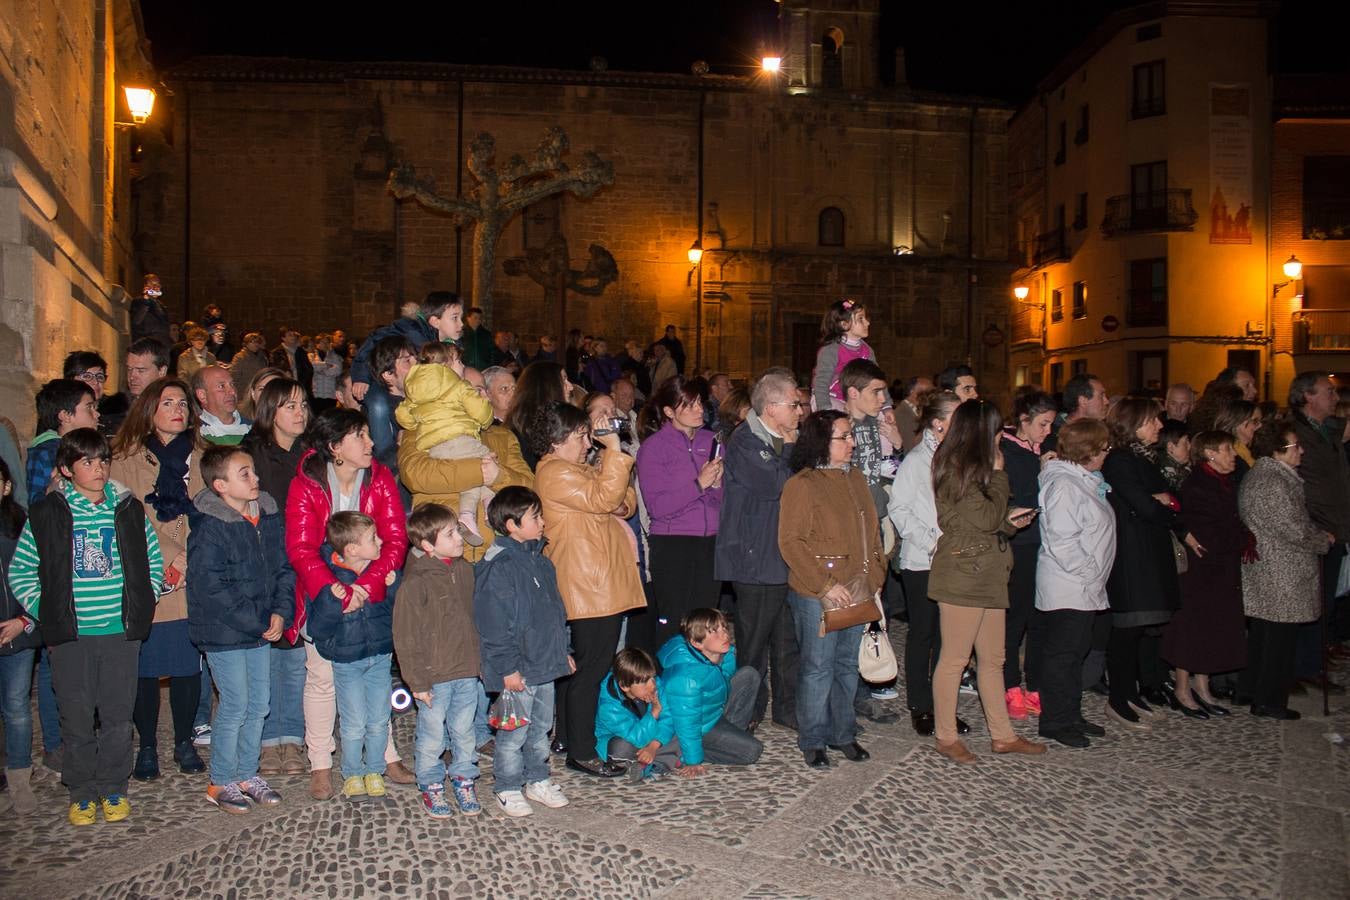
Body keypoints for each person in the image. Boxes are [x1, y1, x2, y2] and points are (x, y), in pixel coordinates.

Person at [6, 428, 163, 824]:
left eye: (103, 460)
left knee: (116, 715)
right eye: (87, 462)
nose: (98, 469)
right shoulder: (47, 514)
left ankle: (113, 787)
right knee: (75, 715)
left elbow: (151, 558)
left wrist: (147, 596)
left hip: (119, 633)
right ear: (66, 468)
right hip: (71, 635)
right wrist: (48, 609)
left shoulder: (126, 508)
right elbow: (23, 569)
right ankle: (80, 791)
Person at [284, 408, 413, 800]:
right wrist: (336, 591)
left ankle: (384, 756)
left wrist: (368, 585)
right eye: (360, 436)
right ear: (336, 448)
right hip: (325, 596)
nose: (371, 443)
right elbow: (301, 548)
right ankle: (321, 763)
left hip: (371, 594)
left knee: (375, 673)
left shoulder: (380, 477)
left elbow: (395, 539)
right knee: (322, 678)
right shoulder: (306, 484)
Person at [531, 402, 644, 777]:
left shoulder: (577, 471)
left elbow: (624, 504)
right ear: (556, 439)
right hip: (588, 584)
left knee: (583, 667)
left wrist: (607, 477)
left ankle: (567, 737)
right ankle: (581, 751)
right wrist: (613, 451)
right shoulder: (553, 473)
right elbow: (607, 499)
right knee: (592, 670)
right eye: (580, 435)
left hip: (599, 580)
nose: (587, 442)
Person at [927, 400, 1043, 763]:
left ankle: (1003, 735)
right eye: (996, 429)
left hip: (989, 571)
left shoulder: (973, 468)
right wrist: (999, 473)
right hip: (964, 574)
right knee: (955, 658)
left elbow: (989, 521)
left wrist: (1013, 523)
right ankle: (945, 736)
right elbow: (986, 517)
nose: (1001, 436)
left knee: (993, 658)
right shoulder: (954, 468)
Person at [109, 377, 208, 781]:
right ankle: (146, 745)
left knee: (187, 666)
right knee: (146, 669)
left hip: (193, 571)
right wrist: (167, 561)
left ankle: (183, 740)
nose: (177, 409)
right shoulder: (124, 458)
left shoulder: (202, 456)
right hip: (148, 575)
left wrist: (188, 559)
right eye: (167, 402)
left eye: (183, 403)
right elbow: (124, 516)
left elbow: (213, 508)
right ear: (149, 409)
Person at [186, 445, 293, 813]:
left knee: (258, 703)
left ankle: (247, 773)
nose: (255, 478)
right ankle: (220, 780)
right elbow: (212, 588)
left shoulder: (266, 516)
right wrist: (259, 621)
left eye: (253, 471)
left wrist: (280, 612)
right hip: (225, 632)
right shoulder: (210, 529)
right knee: (235, 704)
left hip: (260, 627)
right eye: (244, 473)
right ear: (220, 485)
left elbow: (283, 568)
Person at [778, 411, 885, 769]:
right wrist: (825, 585)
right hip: (817, 592)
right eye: (844, 436)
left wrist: (876, 576)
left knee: (846, 665)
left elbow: (872, 532)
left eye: (850, 435)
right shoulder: (802, 485)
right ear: (823, 442)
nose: (852, 442)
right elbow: (791, 543)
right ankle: (813, 738)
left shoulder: (854, 477)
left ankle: (844, 733)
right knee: (818, 666)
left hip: (858, 587)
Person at [474, 486, 574, 815]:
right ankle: (506, 784)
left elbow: (554, 613)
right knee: (513, 731)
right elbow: (492, 623)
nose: (543, 522)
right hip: (517, 667)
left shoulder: (541, 563)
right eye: (535, 517)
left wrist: (564, 650)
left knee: (541, 727)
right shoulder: (499, 566)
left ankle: (537, 778)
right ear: (511, 524)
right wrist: (506, 669)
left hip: (545, 661)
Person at [714, 368, 801, 731]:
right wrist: (796, 448)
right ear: (771, 406)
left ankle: (787, 709)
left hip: (779, 555)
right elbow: (777, 484)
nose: (800, 411)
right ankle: (743, 712)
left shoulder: (774, 438)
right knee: (752, 644)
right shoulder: (746, 440)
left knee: (786, 640)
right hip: (754, 556)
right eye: (794, 404)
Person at [1102, 397, 1194, 730]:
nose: (1159, 425)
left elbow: (1173, 499)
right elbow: (1145, 505)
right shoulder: (1121, 460)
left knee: (1140, 631)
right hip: (1131, 555)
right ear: (1134, 424)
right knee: (1127, 629)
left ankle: (1131, 692)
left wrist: (1163, 502)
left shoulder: (1146, 459)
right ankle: (1118, 698)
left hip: (1148, 550)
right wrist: (1159, 503)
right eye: (1152, 420)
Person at [1238, 420, 1334, 719]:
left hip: (1274, 568)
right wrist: (1322, 540)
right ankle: (1269, 700)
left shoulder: (1270, 476)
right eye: (1296, 446)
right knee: (1278, 640)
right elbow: (1292, 528)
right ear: (1278, 450)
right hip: (1280, 570)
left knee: (1266, 636)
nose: (1301, 451)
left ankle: (1253, 690)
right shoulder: (1272, 482)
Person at [888, 390, 970, 738]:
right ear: (938, 424)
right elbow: (900, 510)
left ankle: (944, 707)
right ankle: (921, 707)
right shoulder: (917, 461)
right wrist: (933, 542)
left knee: (950, 640)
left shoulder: (961, 458)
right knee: (924, 635)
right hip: (924, 561)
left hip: (955, 560)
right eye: (957, 417)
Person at [239, 378, 310, 776]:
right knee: (267, 648)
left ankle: (293, 739)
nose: (299, 413)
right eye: (289, 406)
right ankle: (268, 740)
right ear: (270, 411)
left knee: (296, 652)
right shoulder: (251, 454)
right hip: (265, 559)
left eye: (302, 405)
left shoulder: (311, 455)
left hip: (304, 559)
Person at [395, 503, 482, 818]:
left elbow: (473, 620)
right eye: (450, 533)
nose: (459, 537)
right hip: (434, 676)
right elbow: (405, 636)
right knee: (432, 735)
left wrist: (480, 663)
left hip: (465, 670)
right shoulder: (416, 582)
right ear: (427, 545)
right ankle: (431, 783)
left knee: (464, 730)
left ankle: (463, 777)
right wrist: (417, 681)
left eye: (457, 530)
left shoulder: (464, 570)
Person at [305, 511, 399, 801]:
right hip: (348, 662)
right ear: (352, 549)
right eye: (373, 538)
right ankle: (352, 773)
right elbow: (318, 628)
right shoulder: (328, 579)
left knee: (379, 717)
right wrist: (335, 603)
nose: (381, 541)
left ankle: (375, 769)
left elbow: (394, 614)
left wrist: (393, 587)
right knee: (355, 720)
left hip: (380, 657)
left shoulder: (379, 571)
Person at [1034, 418, 1115, 748]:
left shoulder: (1081, 479)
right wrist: (1090, 570)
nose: (1108, 453)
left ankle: (1070, 713)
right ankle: (1054, 720)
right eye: (1104, 448)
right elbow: (1062, 540)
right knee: (1062, 655)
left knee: (1075, 653)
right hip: (1069, 585)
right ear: (1091, 452)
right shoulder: (1065, 485)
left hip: (1084, 586)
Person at [1163, 431, 1247, 718]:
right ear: (1210, 453)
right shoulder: (1199, 484)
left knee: (1210, 630)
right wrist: (1241, 540)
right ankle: (1182, 688)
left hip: (1218, 570)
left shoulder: (1221, 482)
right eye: (1226, 449)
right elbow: (1206, 532)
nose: (1233, 455)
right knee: (1191, 629)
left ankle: (1203, 685)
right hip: (1201, 570)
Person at [636, 376, 723, 651]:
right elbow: (657, 507)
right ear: (669, 411)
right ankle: (672, 686)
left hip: (710, 541)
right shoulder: (653, 448)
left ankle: (702, 685)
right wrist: (699, 484)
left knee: (706, 622)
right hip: (674, 544)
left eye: (700, 402)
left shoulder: (711, 440)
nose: (699, 409)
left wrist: (718, 485)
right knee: (675, 622)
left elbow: (724, 499)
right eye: (689, 404)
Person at [1287, 372, 1350, 690]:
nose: (1334, 397)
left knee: (1324, 601)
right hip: (1314, 526)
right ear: (1307, 396)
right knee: (1309, 600)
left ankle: (1311, 664)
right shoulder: (1295, 431)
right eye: (1328, 392)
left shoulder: (1328, 429)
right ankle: (1299, 666)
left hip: (1335, 526)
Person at [1000, 390, 1057, 721]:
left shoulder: (1045, 448)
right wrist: (1040, 471)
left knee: (1040, 618)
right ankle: (1010, 684)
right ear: (1023, 421)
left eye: (1050, 424)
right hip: (1019, 545)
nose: (1047, 432)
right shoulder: (1007, 450)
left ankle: (1035, 683)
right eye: (1042, 424)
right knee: (1015, 618)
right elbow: (1016, 497)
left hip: (1044, 543)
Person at [395, 362, 496, 545]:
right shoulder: (458, 388)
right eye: (477, 390)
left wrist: (418, 419)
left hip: (435, 447)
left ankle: (477, 510)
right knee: (485, 461)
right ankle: (485, 503)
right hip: (440, 542)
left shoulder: (416, 400)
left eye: (484, 390)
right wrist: (488, 472)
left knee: (478, 469)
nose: (483, 396)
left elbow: (403, 415)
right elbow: (415, 475)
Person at [656, 608, 763, 776]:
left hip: (713, 711)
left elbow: (724, 683)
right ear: (697, 643)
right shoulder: (686, 678)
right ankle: (682, 751)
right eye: (714, 632)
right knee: (752, 751)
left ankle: (732, 736)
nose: (725, 635)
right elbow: (687, 723)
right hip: (699, 726)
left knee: (749, 675)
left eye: (724, 628)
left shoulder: (723, 653)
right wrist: (693, 760)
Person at [0, 458, 39, 814]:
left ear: (6, 486)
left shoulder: (20, 527)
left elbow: (41, 577)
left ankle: (19, 777)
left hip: (17, 631)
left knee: (16, 708)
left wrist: (25, 620)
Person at [596, 647, 680, 780]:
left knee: (682, 725)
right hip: (627, 741)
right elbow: (637, 738)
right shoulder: (609, 706)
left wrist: (653, 745)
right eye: (644, 682)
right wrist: (654, 712)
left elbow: (668, 719)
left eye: (652, 678)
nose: (652, 685)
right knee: (621, 748)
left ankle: (647, 763)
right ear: (624, 686)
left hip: (653, 737)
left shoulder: (656, 685)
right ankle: (662, 760)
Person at [28, 379, 101, 501]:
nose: (97, 414)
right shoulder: (46, 453)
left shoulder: (93, 446)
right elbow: (36, 502)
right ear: (65, 415)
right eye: (89, 407)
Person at [506, 361, 576, 471]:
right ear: (548, 386)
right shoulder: (525, 431)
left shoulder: (551, 422)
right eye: (564, 381)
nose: (571, 387)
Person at [811, 299, 875, 411]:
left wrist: (886, 407)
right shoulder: (831, 351)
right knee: (842, 420)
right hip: (828, 398)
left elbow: (876, 379)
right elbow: (821, 384)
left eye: (866, 318)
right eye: (861, 319)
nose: (867, 322)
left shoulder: (867, 351)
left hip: (853, 401)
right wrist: (825, 411)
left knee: (882, 419)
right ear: (844, 325)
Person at [100, 338, 170, 436]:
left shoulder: (175, 410)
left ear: (162, 371)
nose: (132, 376)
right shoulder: (114, 408)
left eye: (141, 370)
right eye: (129, 369)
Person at [193, 365, 251, 445]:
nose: (232, 391)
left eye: (232, 384)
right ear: (202, 395)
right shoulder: (195, 435)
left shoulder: (253, 429)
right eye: (221, 386)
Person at [130, 273, 172, 349]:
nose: (156, 287)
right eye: (152, 284)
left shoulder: (161, 305)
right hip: (146, 346)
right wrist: (146, 300)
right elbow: (136, 321)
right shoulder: (139, 301)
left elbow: (165, 324)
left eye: (158, 284)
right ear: (146, 287)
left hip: (161, 345)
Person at [270, 329, 314, 401]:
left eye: (294, 335)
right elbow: (274, 371)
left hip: (300, 387)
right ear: (283, 338)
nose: (293, 337)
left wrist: (303, 383)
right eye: (290, 335)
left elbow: (309, 369)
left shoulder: (301, 351)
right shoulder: (276, 353)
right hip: (285, 388)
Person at [894, 376, 934, 453]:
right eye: (928, 393)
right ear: (913, 393)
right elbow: (909, 448)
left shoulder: (919, 410)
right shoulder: (902, 414)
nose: (933, 397)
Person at [309, 333, 344, 413]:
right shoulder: (311, 355)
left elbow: (337, 370)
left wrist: (321, 370)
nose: (325, 344)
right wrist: (327, 365)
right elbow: (313, 366)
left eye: (327, 342)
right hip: (316, 393)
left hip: (330, 393)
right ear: (317, 343)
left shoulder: (335, 356)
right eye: (323, 342)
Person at [229, 333, 271, 398]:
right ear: (246, 343)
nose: (256, 344)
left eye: (257, 342)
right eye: (252, 342)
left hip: (260, 392)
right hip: (244, 393)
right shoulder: (240, 357)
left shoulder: (263, 357)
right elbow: (234, 376)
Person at [1157, 419, 1192, 492]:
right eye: (1185, 443)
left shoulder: (1186, 468)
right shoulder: (1162, 476)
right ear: (1170, 447)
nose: (1190, 446)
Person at [460, 307, 495, 371]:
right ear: (468, 318)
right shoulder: (461, 334)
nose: (478, 320)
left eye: (480, 318)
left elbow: (492, 353)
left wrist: (490, 368)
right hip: (466, 370)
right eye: (475, 318)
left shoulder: (486, 334)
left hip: (483, 370)